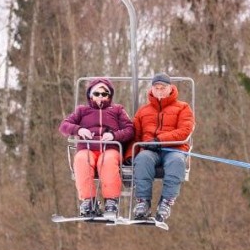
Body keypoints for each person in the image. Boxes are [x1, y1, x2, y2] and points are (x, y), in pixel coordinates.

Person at [58, 77, 135, 218]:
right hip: (88, 148)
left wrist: (113, 135)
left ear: (109, 95)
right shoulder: (82, 110)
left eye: (104, 94)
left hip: (110, 148)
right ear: (90, 95)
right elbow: (64, 126)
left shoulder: (117, 110)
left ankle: (111, 201)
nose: (100, 97)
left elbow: (129, 130)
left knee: (107, 161)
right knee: (82, 160)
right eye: (97, 93)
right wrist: (78, 130)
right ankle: (88, 201)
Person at [128, 73, 195, 224]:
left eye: (162, 88)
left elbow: (184, 131)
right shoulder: (143, 111)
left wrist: (159, 140)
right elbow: (135, 136)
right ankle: (143, 202)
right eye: (156, 88)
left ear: (170, 88)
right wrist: (129, 155)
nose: (159, 91)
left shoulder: (183, 108)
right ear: (152, 89)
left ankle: (166, 202)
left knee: (177, 162)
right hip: (150, 150)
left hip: (174, 149)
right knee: (142, 159)